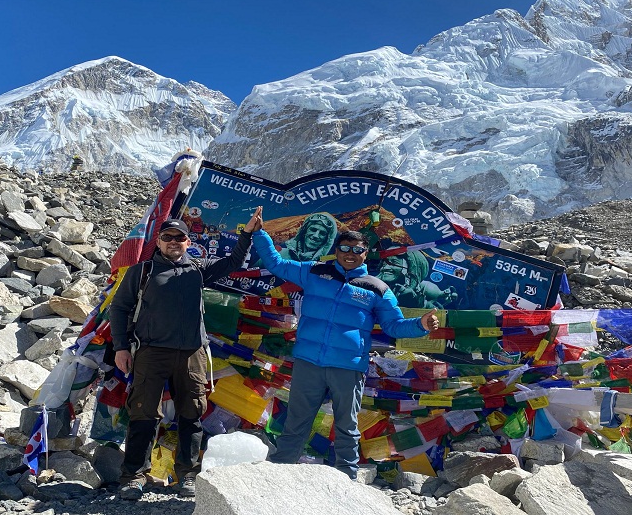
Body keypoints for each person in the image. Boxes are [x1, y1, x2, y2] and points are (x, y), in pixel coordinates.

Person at [249, 206, 439, 479]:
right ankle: (280, 472)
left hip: (348, 367)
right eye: (345, 248)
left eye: (357, 250)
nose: (350, 255)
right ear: (336, 250)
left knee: (347, 425)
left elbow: (392, 325)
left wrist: (420, 325)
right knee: (296, 422)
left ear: (365, 254)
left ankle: (347, 480)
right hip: (308, 362)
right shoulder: (313, 272)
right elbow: (276, 264)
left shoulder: (376, 288)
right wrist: (260, 234)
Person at [108, 211, 261, 500]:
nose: (174, 242)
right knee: (143, 412)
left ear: (188, 242)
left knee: (192, 413)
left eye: (180, 237)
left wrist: (247, 234)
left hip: (192, 353)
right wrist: (120, 347)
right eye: (168, 237)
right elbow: (119, 309)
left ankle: (187, 475)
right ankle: (133, 476)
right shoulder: (142, 271)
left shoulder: (198, 269)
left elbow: (234, 262)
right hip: (150, 351)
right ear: (160, 242)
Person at [376, 249, 459, 309]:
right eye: (384, 264)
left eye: (393, 263)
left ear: (411, 270)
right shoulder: (370, 285)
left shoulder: (426, 291)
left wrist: (418, 303)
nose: (386, 267)